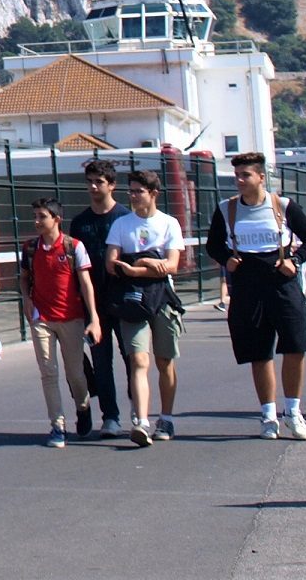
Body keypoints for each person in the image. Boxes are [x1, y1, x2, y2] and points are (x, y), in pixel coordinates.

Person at [206, 153, 306, 441]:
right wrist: (225, 259)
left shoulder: (282, 205)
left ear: (260, 177)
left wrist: (294, 260)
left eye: (246, 175)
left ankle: (292, 412)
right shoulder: (226, 209)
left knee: (294, 345)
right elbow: (213, 245)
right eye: (237, 176)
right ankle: (268, 415)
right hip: (247, 285)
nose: (240, 181)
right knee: (259, 352)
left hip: (282, 283)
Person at [103, 169, 185, 446]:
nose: (134, 195)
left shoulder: (169, 223)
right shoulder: (121, 224)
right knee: (138, 360)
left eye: (139, 191)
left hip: (162, 298)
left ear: (153, 194)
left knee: (164, 361)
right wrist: (151, 264)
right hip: (132, 299)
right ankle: (141, 420)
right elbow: (112, 264)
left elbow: (172, 266)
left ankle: (167, 417)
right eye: (132, 190)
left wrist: (140, 265)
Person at [18, 197, 101, 448]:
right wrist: (26, 299)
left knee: (75, 373)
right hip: (41, 318)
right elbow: (24, 277)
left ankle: (83, 406)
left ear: (56, 219)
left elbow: (85, 283)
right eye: (35, 216)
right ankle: (57, 425)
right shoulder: (30, 249)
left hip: (71, 317)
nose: (37, 221)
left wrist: (94, 317)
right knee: (48, 371)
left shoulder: (73, 246)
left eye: (42, 216)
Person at [69, 159, 131, 439]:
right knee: (101, 361)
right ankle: (111, 417)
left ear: (112, 185)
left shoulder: (126, 218)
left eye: (99, 182)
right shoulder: (79, 223)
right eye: (90, 182)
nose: (94, 187)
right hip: (94, 305)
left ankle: (139, 413)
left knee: (133, 357)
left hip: (126, 299)